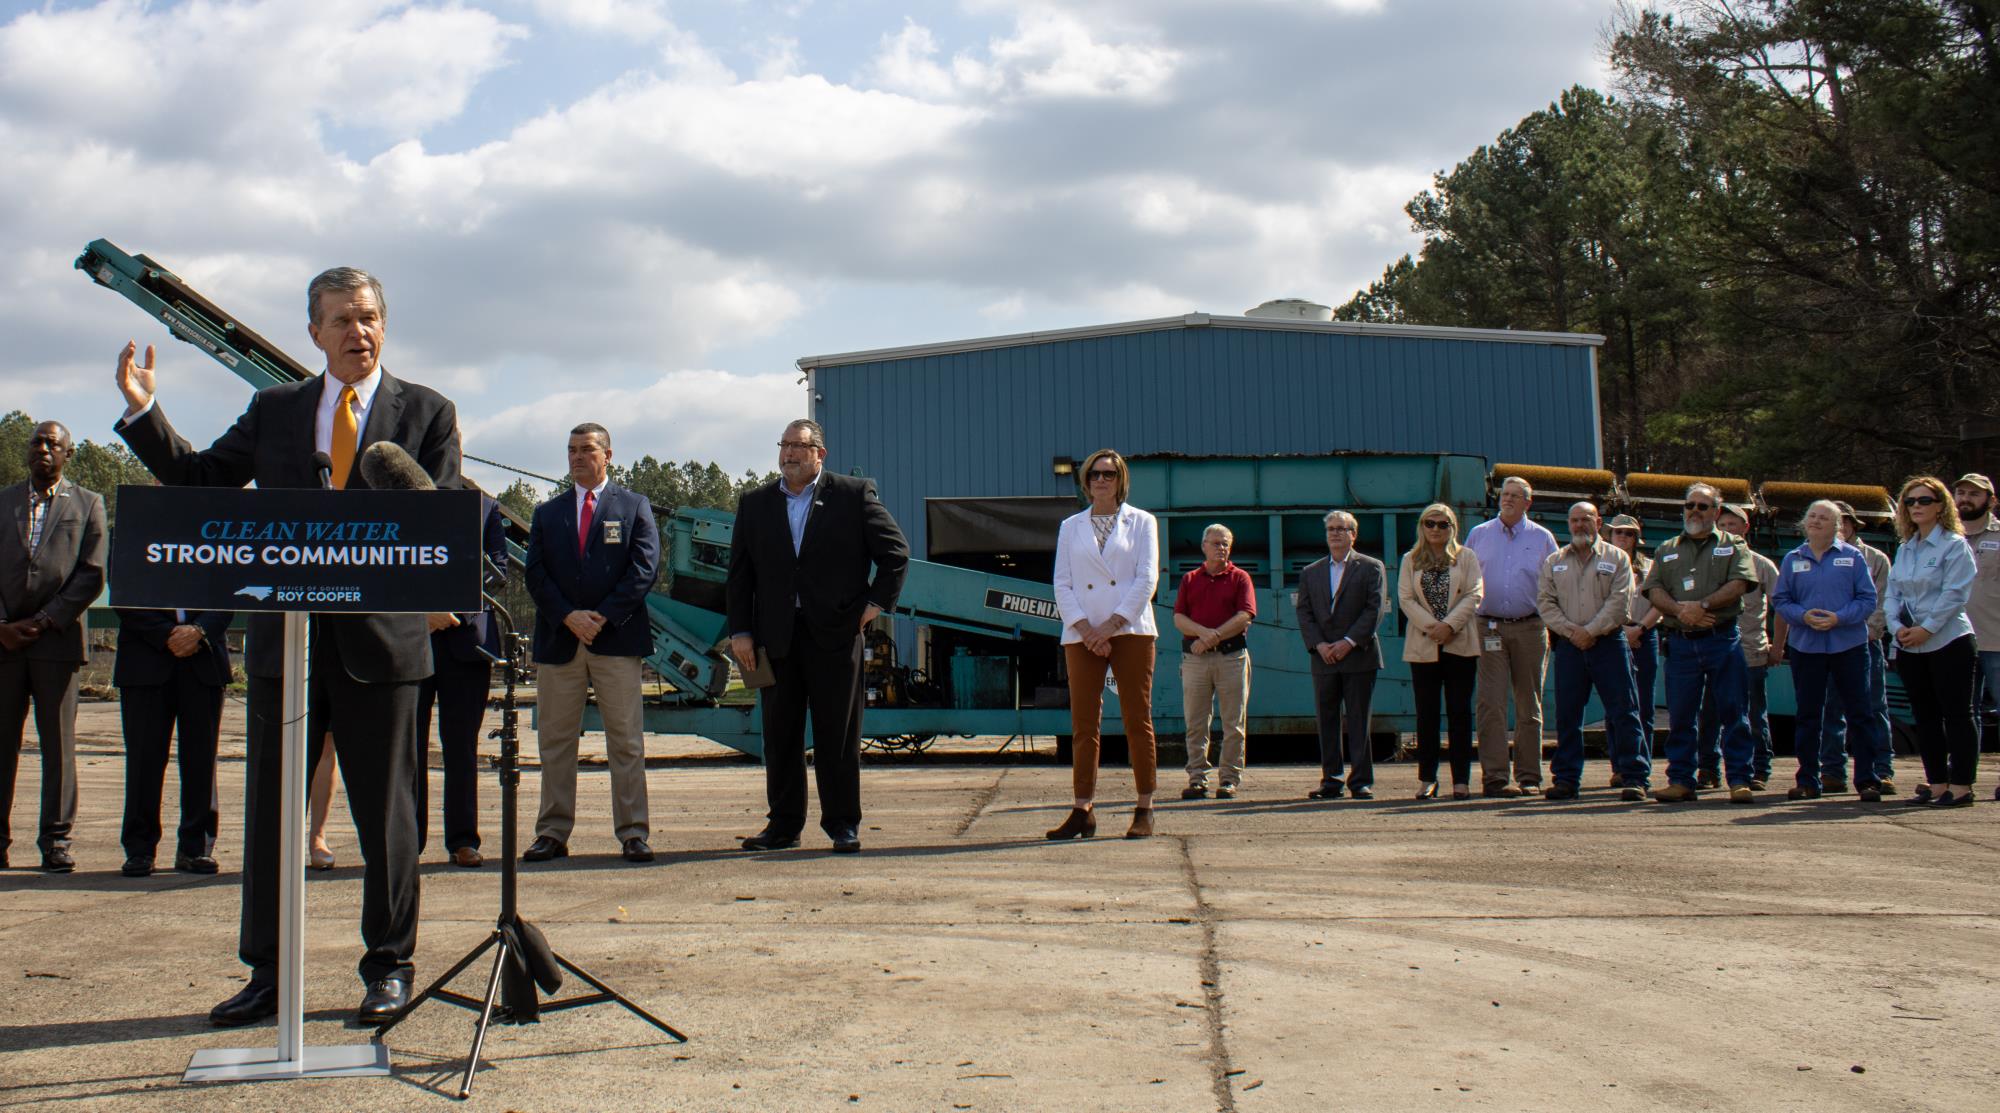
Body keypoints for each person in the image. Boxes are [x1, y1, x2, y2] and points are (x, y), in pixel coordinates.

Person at [115, 266, 461, 1027]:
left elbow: (439, 520)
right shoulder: (275, 410)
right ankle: (269, 973)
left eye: (368, 316)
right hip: (288, 648)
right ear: (314, 333)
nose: (356, 331)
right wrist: (145, 413)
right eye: (340, 320)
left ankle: (389, 966)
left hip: (382, 648)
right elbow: (202, 478)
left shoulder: (428, 413)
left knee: (388, 816)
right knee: (272, 821)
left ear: (383, 323)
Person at [728, 419, 909, 852]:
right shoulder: (755, 503)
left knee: (838, 735)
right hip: (775, 640)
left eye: (798, 447)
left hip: (836, 636)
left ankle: (843, 824)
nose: (788, 453)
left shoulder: (852, 495)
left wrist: (872, 608)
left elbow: (895, 554)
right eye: (784, 445)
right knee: (780, 734)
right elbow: (739, 575)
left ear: (819, 454)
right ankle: (783, 826)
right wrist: (740, 632)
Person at [523, 425, 661, 865]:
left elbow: (644, 567)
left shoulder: (634, 506)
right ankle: (552, 832)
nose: (578, 457)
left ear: (608, 456)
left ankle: (633, 833)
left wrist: (601, 615)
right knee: (556, 742)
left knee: (625, 741)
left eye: (587, 450)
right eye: (571, 450)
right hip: (561, 641)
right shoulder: (548, 513)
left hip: (615, 640)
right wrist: (568, 615)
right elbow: (536, 575)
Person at [0, 421, 107, 873]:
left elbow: (92, 572)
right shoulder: (3, 501)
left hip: (57, 643)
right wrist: (2, 625)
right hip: (3, 644)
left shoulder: (88, 504)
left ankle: (56, 841)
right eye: (36, 442)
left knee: (57, 748)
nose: (43, 449)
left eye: (53, 444)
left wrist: (45, 620)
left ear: (68, 454)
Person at [1045, 449, 1160, 838]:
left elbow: (1146, 579)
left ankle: (1144, 806)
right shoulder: (1070, 526)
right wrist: (1085, 628)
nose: (1100, 480)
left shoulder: (1142, 522)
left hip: (1130, 630)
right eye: (1094, 474)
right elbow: (1062, 582)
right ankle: (1082, 808)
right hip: (1082, 634)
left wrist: (1110, 626)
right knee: (1083, 724)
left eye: (1109, 474)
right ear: (1085, 480)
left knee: (1136, 719)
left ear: (1120, 479)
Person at [1641, 483, 1761, 803]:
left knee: (1734, 711)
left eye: (1702, 506)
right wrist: (1682, 610)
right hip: (1681, 643)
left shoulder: (1733, 545)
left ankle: (1739, 779)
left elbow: (1739, 583)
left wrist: (1703, 606)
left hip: (1721, 640)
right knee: (1681, 714)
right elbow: (1654, 591)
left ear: (1716, 512)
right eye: (1689, 505)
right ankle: (1681, 780)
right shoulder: (1667, 548)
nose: (1694, 510)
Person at [1771, 500, 1887, 800]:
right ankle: (1808, 779)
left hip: (1848, 645)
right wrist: (1803, 617)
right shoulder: (1792, 558)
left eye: (1824, 518)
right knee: (1809, 716)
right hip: (1806, 647)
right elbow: (1781, 601)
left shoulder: (1853, 557)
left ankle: (1867, 779)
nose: (1816, 521)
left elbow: (1867, 599)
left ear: (1838, 527)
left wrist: (1839, 618)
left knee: (1860, 713)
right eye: (1811, 516)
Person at [1536, 501, 1651, 800]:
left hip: (1609, 643)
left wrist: (1590, 631)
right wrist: (1572, 632)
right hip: (1570, 646)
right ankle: (1566, 779)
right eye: (1574, 520)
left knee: (1624, 711)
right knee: (1567, 716)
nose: (1579, 525)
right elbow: (1545, 603)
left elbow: (1619, 602)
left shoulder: (1617, 559)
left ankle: (1634, 776)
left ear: (1599, 523)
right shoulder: (1554, 561)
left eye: (1586, 519)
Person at [418, 496, 508, 868]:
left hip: (466, 642)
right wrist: (419, 611)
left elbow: (497, 571)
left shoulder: (484, 507)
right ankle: (407, 841)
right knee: (407, 747)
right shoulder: (404, 500)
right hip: (411, 640)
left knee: (461, 748)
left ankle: (463, 840)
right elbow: (390, 565)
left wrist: (449, 608)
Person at [1882, 476, 1980, 808]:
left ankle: (1963, 785)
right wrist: (1896, 627)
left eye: (1924, 500)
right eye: (1910, 502)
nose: (1916, 507)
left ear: (1940, 506)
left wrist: (1927, 628)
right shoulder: (1905, 547)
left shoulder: (1954, 544)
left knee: (1956, 714)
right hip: (1910, 644)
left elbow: (1955, 594)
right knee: (1924, 716)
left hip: (1949, 640)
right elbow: (1892, 593)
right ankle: (1937, 783)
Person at [115, 606, 232, 876]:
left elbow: (227, 588)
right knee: (144, 760)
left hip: (204, 658)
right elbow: (124, 592)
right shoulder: (131, 559)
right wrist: (165, 634)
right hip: (144, 657)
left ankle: (195, 847)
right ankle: (139, 848)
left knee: (201, 760)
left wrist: (199, 632)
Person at [1463, 476, 1558, 797]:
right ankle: (1495, 777)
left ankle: (1530, 776)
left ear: (1528, 503)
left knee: (1529, 703)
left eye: (1516, 496)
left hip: (1531, 627)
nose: (1509, 500)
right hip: (1487, 626)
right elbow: (1466, 580)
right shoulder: (1479, 535)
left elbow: (1553, 584)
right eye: (1505, 494)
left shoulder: (1543, 538)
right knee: (1490, 703)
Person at [1696, 505, 1787, 790]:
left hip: (1750, 651)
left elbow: (1781, 607)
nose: (1726, 529)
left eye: (1732, 524)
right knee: (1709, 714)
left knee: (1753, 715)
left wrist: (1778, 646)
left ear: (1745, 528)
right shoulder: (1704, 563)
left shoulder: (1761, 565)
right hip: (1712, 651)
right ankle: (1708, 769)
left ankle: (1759, 768)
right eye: (1721, 524)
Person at [1396, 503, 1482, 800]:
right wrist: (1433, 627)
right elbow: (1405, 599)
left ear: (1452, 528)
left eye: (1442, 524)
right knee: (1427, 715)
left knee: (1459, 713)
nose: (1435, 529)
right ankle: (1427, 779)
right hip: (1423, 645)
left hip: (1460, 644)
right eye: (1429, 523)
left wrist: (1449, 626)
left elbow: (1474, 594)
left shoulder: (1466, 557)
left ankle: (1461, 780)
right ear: (1421, 526)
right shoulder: (1411, 559)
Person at [1299, 510, 1387, 801]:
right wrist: (1319, 645)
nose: (1335, 534)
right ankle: (1331, 780)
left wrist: (1348, 642)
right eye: (1331, 529)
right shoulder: (1311, 572)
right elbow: (1305, 612)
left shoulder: (1371, 567)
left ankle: (1360, 781)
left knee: (1359, 720)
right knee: (1327, 720)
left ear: (1353, 534)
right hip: (1323, 658)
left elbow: (1373, 610)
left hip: (1358, 656)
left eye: (1341, 529)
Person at [1174, 524, 1255, 801]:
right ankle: (1197, 779)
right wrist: (1204, 634)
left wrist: (1212, 637)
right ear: (1203, 546)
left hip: (1232, 658)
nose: (1221, 548)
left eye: (1225, 544)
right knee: (1196, 721)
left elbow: (1245, 615)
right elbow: (1178, 618)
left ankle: (1229, 780)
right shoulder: (1190, 579)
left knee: (1234, 722)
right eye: (1215, 543)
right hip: (1196, 660)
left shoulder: (1240, 578)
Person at [1819, 502, 1895, 795]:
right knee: (1830, 709)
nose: (1839, 527)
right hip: (1825, 646)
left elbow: (1881, 602)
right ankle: (1832, 772)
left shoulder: (1875, 559)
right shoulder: (1811, 555)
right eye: (1833, 521)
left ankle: (1881, 770)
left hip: (1865, 644)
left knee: (1873, 708)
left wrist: (1866, 632)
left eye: (1844, 522)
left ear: (1852, 525)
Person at [1608, 514, 1661, 788]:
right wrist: (1620, 632)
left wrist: (1638, 630)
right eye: (1618, 532)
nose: (1623, 538)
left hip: (1644, 634)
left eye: (1629, 534)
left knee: (1643, 705)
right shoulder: (1602, 565)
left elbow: (1661, 603)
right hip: (1611, 636)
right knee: (1616, 704)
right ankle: (1619, 765)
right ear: (1610, 535)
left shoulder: (1651, 568)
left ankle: (1642, 762)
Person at [1952, 473, 2000, 773]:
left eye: (1974, 494)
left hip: (1996, 639)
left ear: (1991, 501)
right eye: (1961, 492)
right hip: (1953, 639)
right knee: (1961, 713)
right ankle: (1961, 776)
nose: (1966, 499)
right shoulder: (1944, 537)